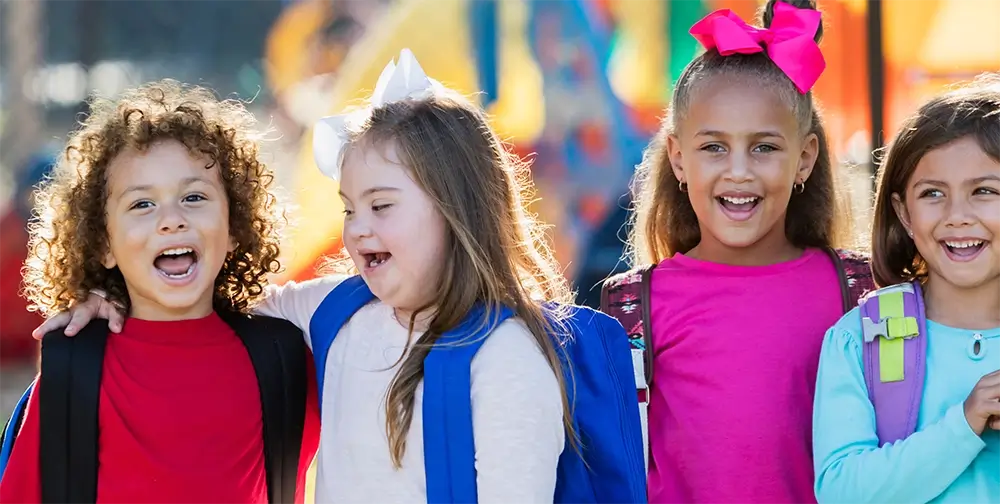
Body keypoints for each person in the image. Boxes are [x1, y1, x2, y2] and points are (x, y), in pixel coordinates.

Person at [34, 51, 646, 504]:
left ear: (459, 209)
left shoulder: (508, 355)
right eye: (349, 208)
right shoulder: (333, 312)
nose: (355, 229)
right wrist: (106, 292)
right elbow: (194, 303)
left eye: (381, 207)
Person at [600, 1, 872, 503]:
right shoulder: (634, 308)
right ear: (679, 159)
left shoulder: (860, 292)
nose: (739, 171)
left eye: (764, 147)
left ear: (804, 159)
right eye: (714, 148)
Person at [0, 80, 320, 504]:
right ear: (103, 244)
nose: (171, 219)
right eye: (142, 204)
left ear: (234, 229)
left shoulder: (285, 356)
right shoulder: (74, 365)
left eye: (193, 196)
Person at [813, 74, 1000, 503]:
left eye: (984, 191)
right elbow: (841, 492)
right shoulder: (859, 339)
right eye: (933, 193)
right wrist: (965, 423)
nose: (957, 216)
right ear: (904, 213)